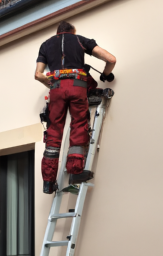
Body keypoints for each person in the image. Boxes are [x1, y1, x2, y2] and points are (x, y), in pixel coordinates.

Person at [35, 21, 116, 194]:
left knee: (54, 132)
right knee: (79, 125)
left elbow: (37, 74)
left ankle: (48, 182)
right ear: (73, 31)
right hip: (78, 86)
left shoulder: (46, 45)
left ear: (57, 32)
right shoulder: (79, 40)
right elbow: (111, 59)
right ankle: (75, 172)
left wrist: (51, 83)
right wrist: (105, 75)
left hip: (56, 89)